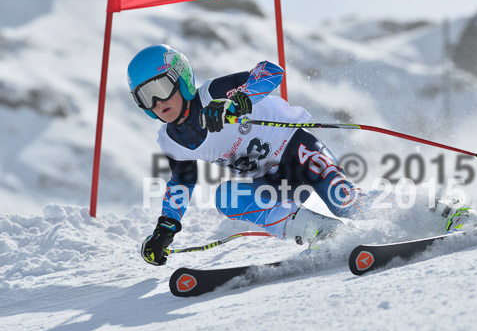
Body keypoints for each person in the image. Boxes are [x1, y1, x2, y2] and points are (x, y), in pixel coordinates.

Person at [128, 44, 376, 266]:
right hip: (271, 181)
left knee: (349, 206)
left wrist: (238, 101)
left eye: (160, 87)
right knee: (227, 197)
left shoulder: (213, 93)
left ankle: (408, 212)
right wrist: (165, 228)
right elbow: (182, 182)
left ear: (180, 77)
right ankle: (324, 232)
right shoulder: (171, 141)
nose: (157, 102)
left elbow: (271, 72)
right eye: (145, 97)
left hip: (298, 151)